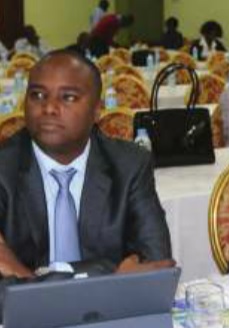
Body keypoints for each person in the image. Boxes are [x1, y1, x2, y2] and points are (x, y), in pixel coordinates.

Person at [0, 50, 174, 281]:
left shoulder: (130, 165)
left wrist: (26, 277)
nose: (49, 108)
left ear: (97, 110)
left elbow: (157, 263)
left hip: (107, 313)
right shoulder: (4, 167)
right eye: (38, 95)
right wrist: (113, 278)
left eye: (68, 97)